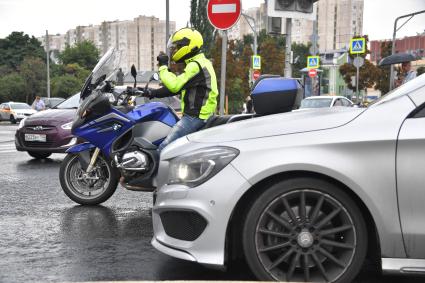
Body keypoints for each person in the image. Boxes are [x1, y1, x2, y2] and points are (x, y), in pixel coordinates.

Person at [144, 28, 218, 152]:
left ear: (189, 46)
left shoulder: (195, 66)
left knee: (164, 149)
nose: (176, 50)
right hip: (200, 115)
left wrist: (162, 67)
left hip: (195, 117)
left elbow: (175, 85)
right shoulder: (201, 62)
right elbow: (177, 88)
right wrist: (153, 93)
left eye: (178, 46)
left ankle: (153, 171)